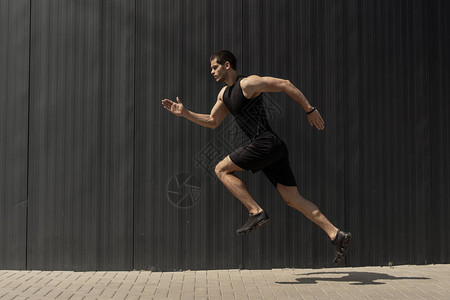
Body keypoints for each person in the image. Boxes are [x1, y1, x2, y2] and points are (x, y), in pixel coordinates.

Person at [161, 50, 351, 264]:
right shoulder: (224, 94)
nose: (211, 72)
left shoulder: (248, 84)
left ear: (226, 65)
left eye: (214, 67)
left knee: (220, 169)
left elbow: (285, 84)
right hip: (273, 148)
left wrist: (309, 109)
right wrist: (185, 113)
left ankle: (256, 211)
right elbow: (212, 121)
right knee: (293, 199)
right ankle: (336, 234)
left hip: (265, 142)